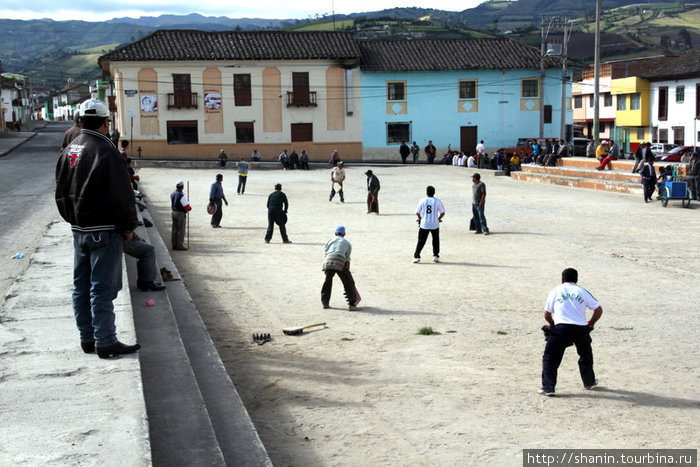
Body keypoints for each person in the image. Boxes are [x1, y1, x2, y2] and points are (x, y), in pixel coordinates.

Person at [55, 98, 140, 358]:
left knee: (81, 286)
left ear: (81, 120)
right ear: (106, 122)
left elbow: (60, 189)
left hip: (79, 229)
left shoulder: (71, 149)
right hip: (103, 229)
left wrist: (72, 219)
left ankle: (87, 338)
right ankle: (105, 341)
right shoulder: (106, 150)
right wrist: (128, 226)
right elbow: (122, 195)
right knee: (102, 288)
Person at [539, 268, 603, 396]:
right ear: (576, 279)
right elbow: (598, 310)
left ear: (562, 279)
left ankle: (549, 387)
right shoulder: (582, 291)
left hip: (560, 328)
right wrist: (590, 323)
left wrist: (552, 325)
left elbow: (547, 314)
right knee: (585, 355)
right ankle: (589, 381)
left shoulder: (556, 290)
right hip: (580, 328)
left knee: (550, 358)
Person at [321, 226, 359, 310]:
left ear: (335, 233)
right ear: (344, 234)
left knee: (327, 281)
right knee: (348, 282)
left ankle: (325, 303)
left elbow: (326, 254)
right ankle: (352, 304)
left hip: (327, 261)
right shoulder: (347, 243)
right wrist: (347, 273)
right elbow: (347, 260)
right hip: (339, 262)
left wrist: (327, 269)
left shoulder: (330, 241)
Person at [413, 185, 445, 263]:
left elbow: (417, 212)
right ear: (434, 193)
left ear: (426, 192)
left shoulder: (423, 200)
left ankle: (417, 256)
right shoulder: (437, 201)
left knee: (421, 240)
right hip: (434, 224)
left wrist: (420, 218)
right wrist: (438, 219)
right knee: (435, 240)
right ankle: (435, 255)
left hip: (424, 224)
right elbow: (442, 212)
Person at [170, 180, 191, 250]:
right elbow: (186, 206)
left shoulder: (173, 194)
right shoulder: (181, 195)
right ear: (182, 187)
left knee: (174, 229)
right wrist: (189, 208)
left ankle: (174, 244)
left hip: (173, 212)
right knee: (181, 230)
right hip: (180, 213)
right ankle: (179, 245)